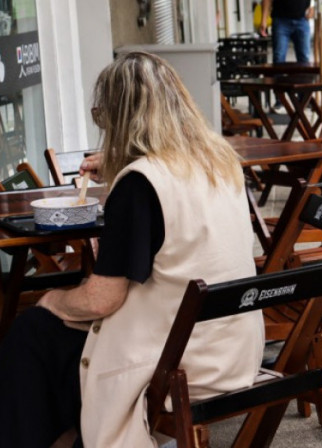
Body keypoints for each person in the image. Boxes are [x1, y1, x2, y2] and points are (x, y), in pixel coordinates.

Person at [0, 52, 264, 448]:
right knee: (52, 342)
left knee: (31, 331)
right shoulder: (222, 164)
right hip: (234, 348)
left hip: (178, 363)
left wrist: (51, 299)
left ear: (120, 117)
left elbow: (102, 300)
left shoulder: (140, 185)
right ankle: (74, 435)